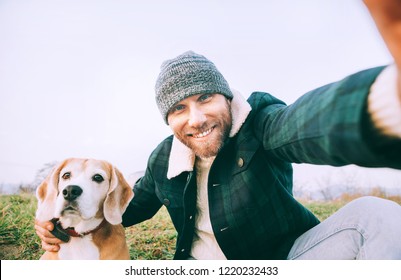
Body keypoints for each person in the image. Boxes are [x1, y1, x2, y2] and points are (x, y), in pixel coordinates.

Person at [36, 0, 401, 259]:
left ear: (227, 97)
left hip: (285, 262)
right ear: (168, 119)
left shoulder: (260, 122)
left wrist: (382, 104)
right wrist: (55, 222)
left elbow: (303, 125)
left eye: (206, 97)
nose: (195, 118)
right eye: (178, 108)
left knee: (374, 214)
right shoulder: (164, 159)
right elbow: (122, 208)